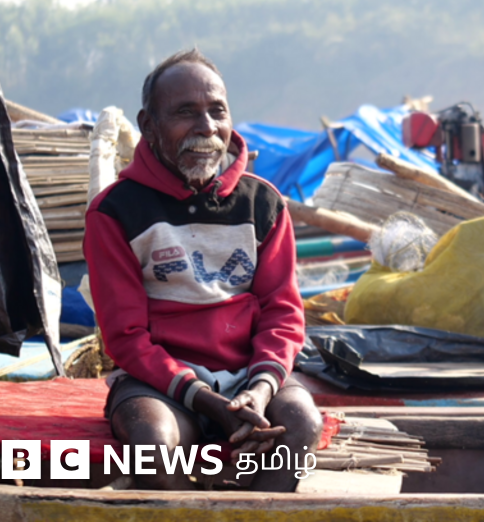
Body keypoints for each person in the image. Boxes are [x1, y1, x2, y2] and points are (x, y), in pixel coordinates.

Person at [84, 49, 322, 491]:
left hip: (250, 378)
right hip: (160, 384)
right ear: (148, 125)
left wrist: (262, 388)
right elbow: (126, 336)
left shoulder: (263, 204)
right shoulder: (115, 212)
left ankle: (254, 510)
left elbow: (283, 313)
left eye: (217, 111)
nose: (206, 128)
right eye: (185, 113)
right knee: (151, 447)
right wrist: (200, 397)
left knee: (302, 424)